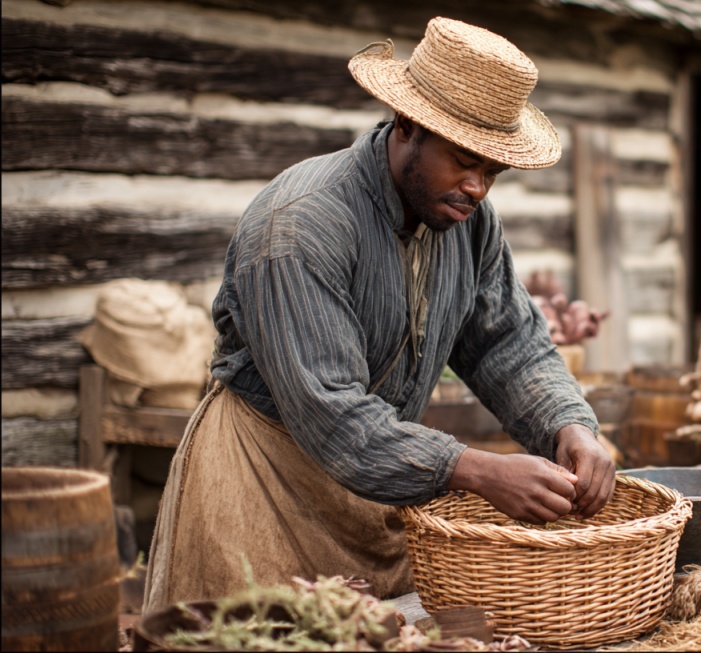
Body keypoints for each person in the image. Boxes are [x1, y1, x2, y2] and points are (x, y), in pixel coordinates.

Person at [143, 16, 615, 611]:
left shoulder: (469, 227)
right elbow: (333, 413)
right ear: (408, 123)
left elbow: (507, 344)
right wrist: (474, 469)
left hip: (379, 488)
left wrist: (568, 423)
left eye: (493, 172)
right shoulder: (301, 225)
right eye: (464, 161)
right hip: (263, 481)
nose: (478, 188)